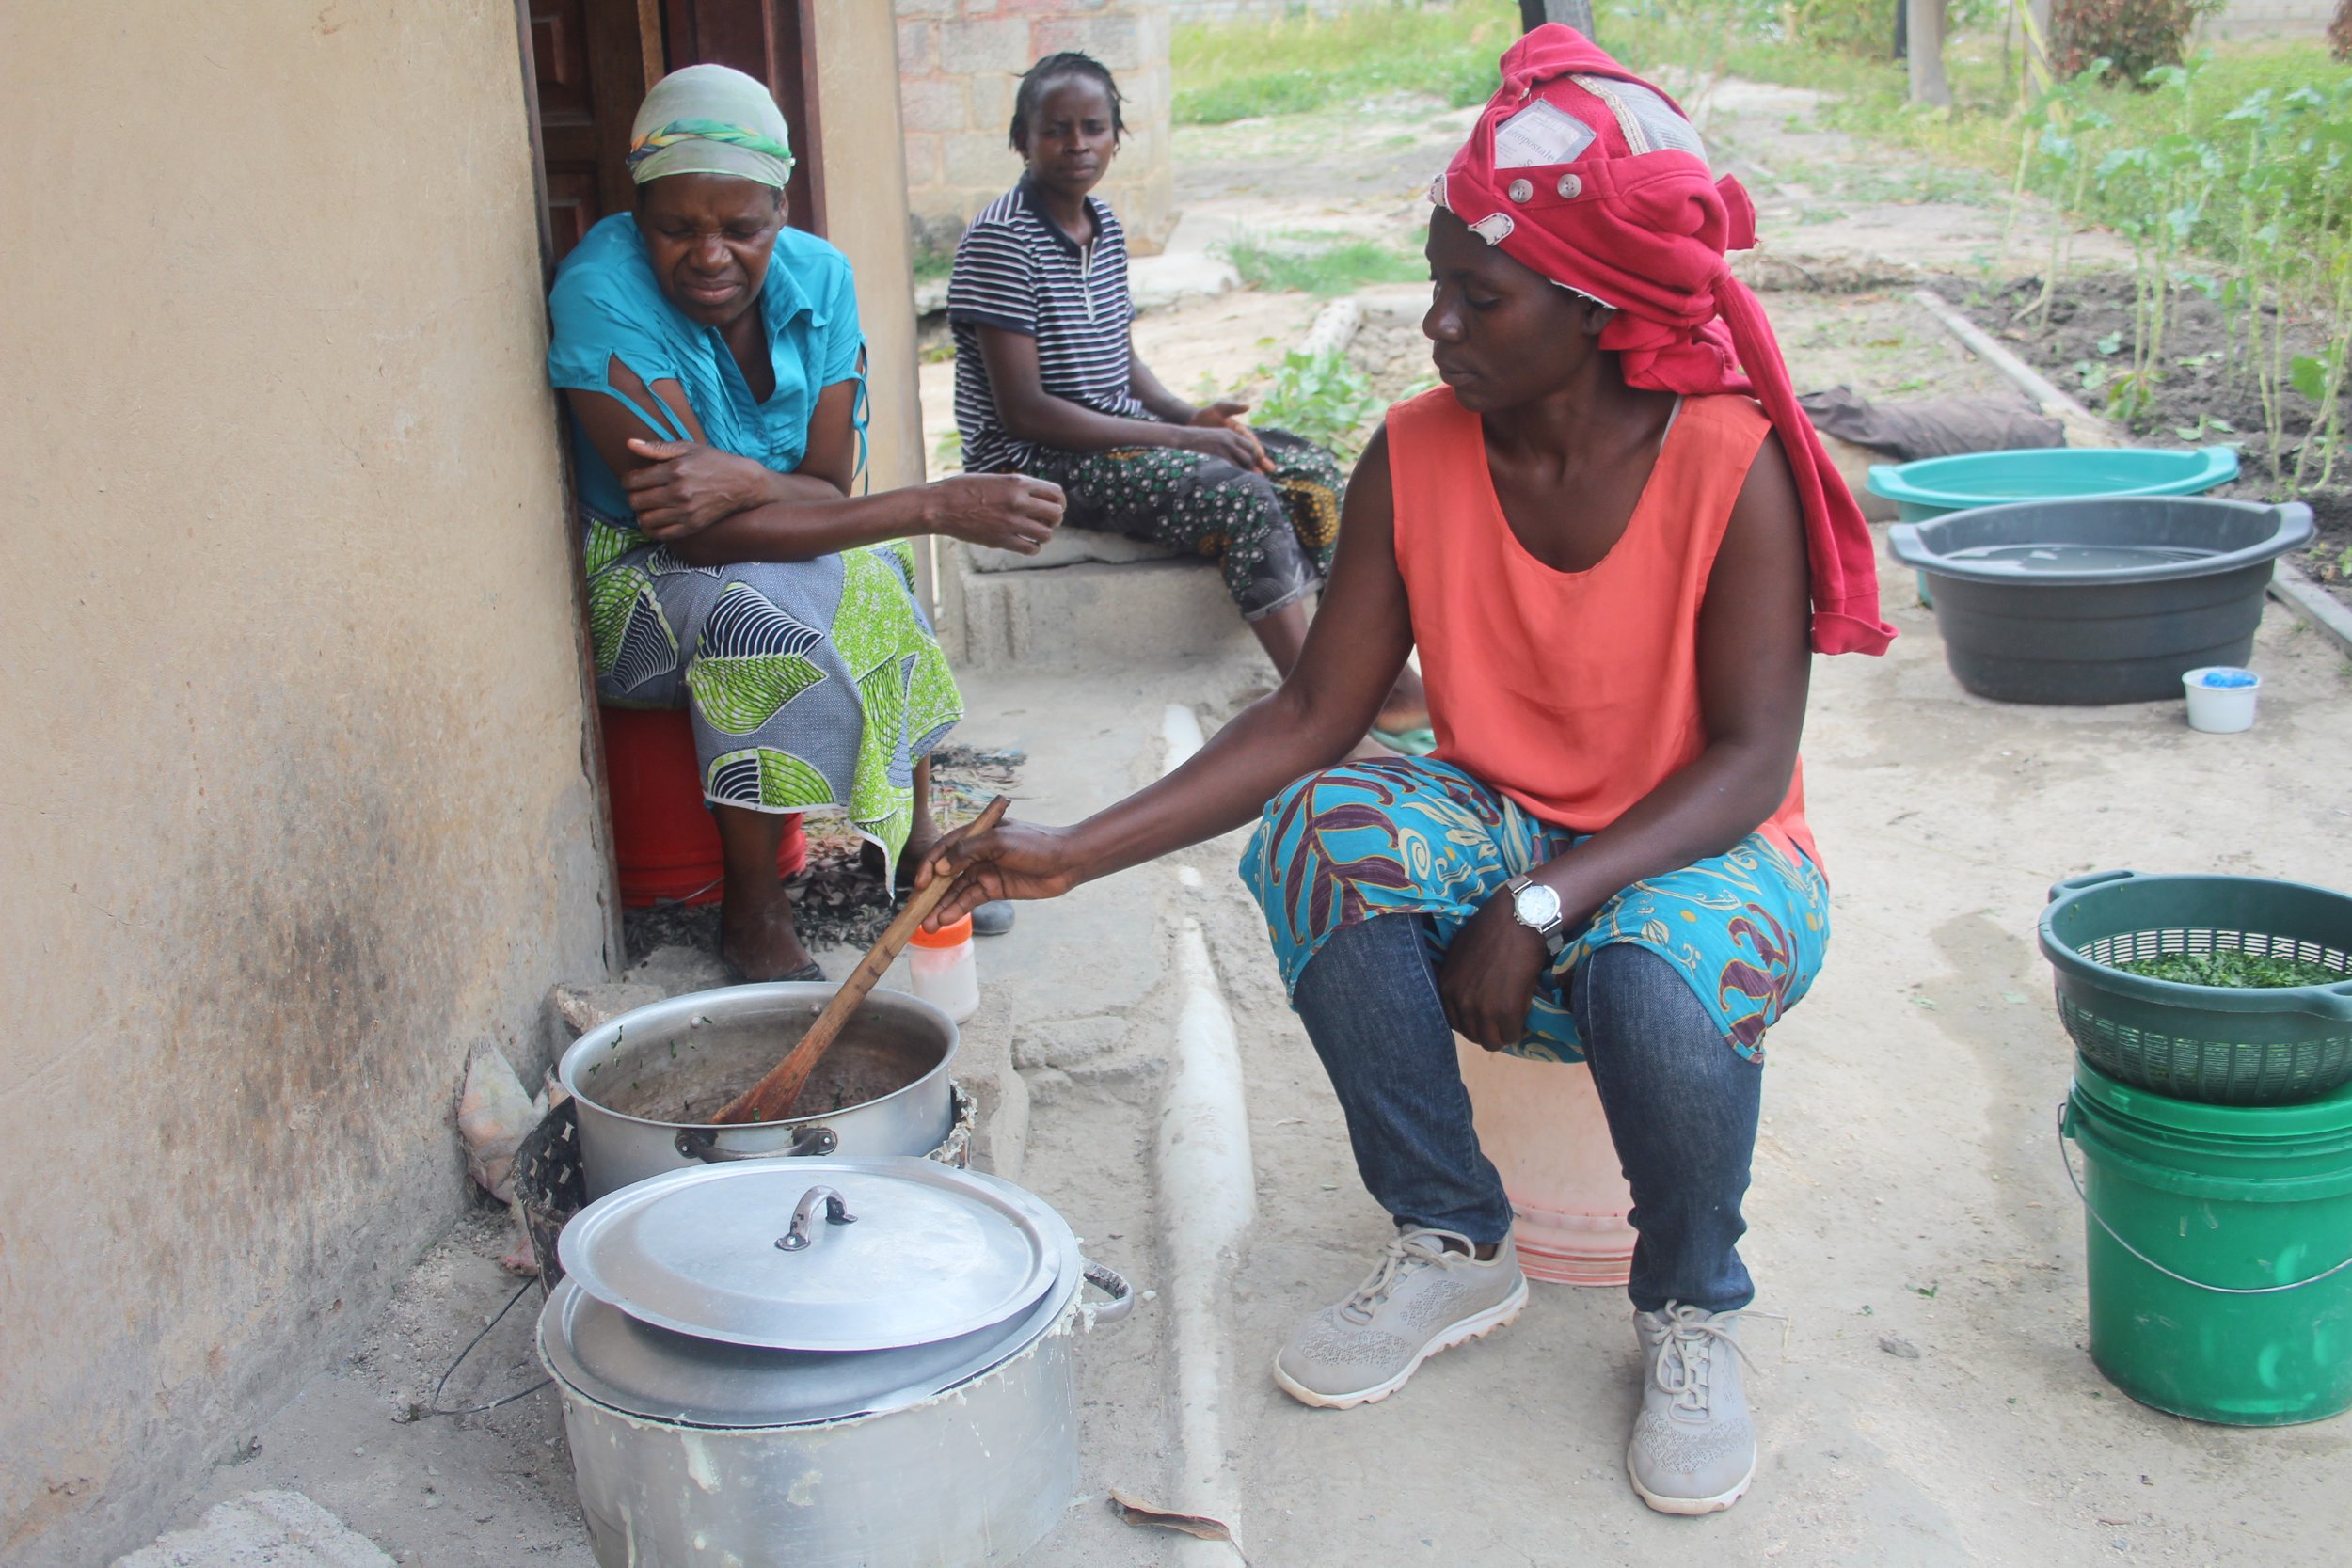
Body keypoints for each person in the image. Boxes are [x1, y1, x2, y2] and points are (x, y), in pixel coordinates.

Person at [922, 27, 1892, 1516]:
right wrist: (1071, 849)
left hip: (1698, 840)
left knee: (1650, 972)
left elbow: (1754, 760)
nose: (1436, 320)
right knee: (1324, 828)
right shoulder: (1418, 452)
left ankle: (1691, 1306)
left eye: (1476, 293)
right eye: (1438, 279)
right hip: (1500, 811)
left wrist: (1554, 895)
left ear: (1593, 306)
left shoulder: (1725, 457)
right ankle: (1454, 1237)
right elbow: (1315, 712)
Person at [548, 64, 1062, 983]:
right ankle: (750, 910)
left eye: (740, 228)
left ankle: (918, 843)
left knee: (877, 570)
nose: (709, 255)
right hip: (629, 575)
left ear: (779, 212)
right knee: (753, 610)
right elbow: (692, 536)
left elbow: (827, 487)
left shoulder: (820, 279)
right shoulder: (601, 292)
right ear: (638, 215)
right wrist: (933, 503)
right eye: (677, 228)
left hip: (759, 541)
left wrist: (743, 476)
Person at [947, 52, 1431, 749]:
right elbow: (1024, 410)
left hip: (1119, 432)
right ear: (1021, 139)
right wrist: (1182, 442)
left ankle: (1381, 680)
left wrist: (1186, 415)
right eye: (1056, 129)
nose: (1077, 144)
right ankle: (1315, 711)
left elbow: (1122, 360)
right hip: (1035, 459)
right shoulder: (1001, 239)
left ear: (1118, 137)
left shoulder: (1104, 226)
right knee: (1241, 498)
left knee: (1308, 468)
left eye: (1093, 127)